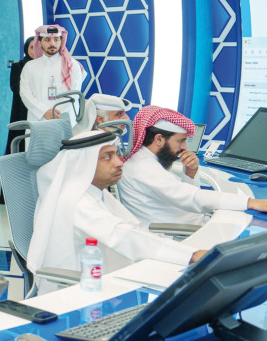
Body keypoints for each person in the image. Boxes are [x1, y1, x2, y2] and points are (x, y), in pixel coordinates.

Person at [26, 130, 207, 278]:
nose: (119, 163)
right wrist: (190, 255)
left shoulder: (96, 192)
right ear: (84, 164)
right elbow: (123, 236)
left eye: (117, 155)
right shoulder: (75, 202)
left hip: (104, 274)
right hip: (77, 290)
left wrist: (180, 250)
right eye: (107, 157)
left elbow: (134, 228)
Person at [119, 107, 265, 224]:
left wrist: (190, 171)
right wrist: (251, 202)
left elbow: (184, 195)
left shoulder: (146, 160)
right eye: (180, 141)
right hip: (178, 234)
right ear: (159, 139)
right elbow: (193, 198)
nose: (184, 147)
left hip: (189, 223)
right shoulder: (144, 167)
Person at [19, 24, 87, 126]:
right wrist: (44, 111)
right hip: (38, 121)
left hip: (64, 120)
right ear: (40, 42)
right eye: (47, 40)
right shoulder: (29, 67)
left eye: (56, 39)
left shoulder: (72, 65)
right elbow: (25, 94)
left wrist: (55, 113)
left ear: (61, 41)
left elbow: (74, 94)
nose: (52, 43)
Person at [2, 36, 37, 157]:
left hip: (38, 108)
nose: (34, 50)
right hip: (21, 108)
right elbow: (15, 87)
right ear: (26, 48)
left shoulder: (42, 67)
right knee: (19, 137)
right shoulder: (18, 66)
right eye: (32, 47)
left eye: (37, 47)